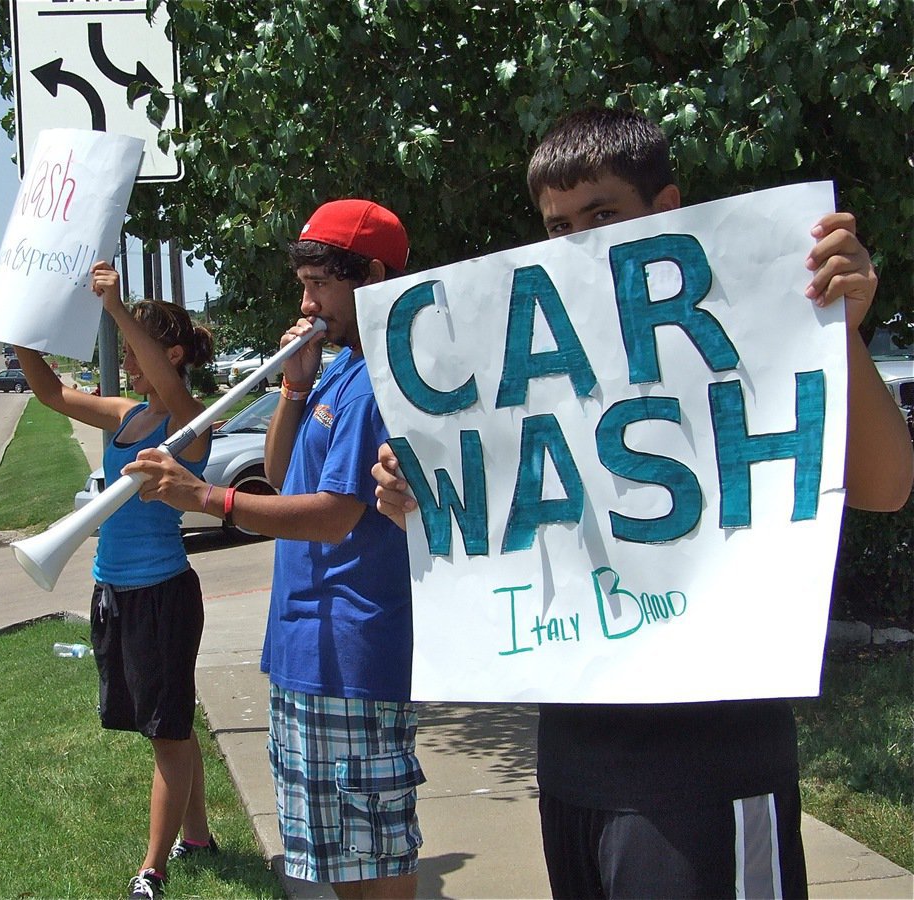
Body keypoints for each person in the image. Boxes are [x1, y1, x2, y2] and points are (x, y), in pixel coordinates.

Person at [372, 107, 914, 898]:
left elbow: (886, 485)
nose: (578, 244)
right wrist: (427, 502)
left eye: (603, 214)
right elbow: (516, 508)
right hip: (574, 767)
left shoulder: (750, 329)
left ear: (666, 211)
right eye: (557, 226)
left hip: (712, 766)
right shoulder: (536, 371)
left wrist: (845, 329)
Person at [124, 199, 425, 899]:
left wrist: (203, 497)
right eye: (304, 284)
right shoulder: (340, 370)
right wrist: (294, 386)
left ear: (372, 276)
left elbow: (332, 517)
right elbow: (285, 476)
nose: (305, 301)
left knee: (371, 865)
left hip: (353, 654)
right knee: (333, 867)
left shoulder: (382, 374)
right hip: (304, 649)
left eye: (320, 284)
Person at [15, 261, 218, 900]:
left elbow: (170, 388)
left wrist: (117, 307)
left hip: (162, 591)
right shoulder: (127, 414)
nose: (129, 362)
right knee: (169, 724)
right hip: (114, 590)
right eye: (126, 353)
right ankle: (199, 835)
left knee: (167, 730)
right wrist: (20, 333)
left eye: (137, 352)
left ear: (172, 352)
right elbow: (51, 394)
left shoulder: (190, 421)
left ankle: (152, 870)